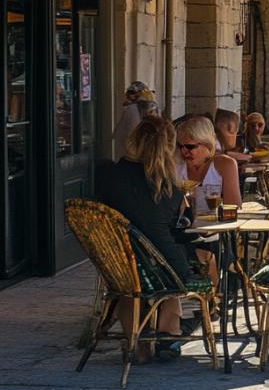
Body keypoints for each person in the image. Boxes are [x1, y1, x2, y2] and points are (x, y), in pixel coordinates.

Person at [98, 116, 192, 359]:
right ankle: (167, 334)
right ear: (169, 146)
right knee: (171, 266)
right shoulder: (171, 187)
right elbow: (173, 226)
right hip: (164, 268)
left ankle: (135, 340)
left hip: (118, 265)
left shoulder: (109, 174)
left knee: (131, 281)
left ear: (134, 140)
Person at [176, 116, 241, 290]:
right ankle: (207, 299)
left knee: (205, 249)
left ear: (207, 145)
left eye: (190, 147)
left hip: (216, 234)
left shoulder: (224, 165)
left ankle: (211, 297)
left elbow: (234, 209)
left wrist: (211, 215)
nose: (184, 152)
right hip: (185, 232)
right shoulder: (177, 167)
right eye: (180, 146)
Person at [111, 81, 154, 157]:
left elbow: (117, 134)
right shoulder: (155, 109)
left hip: (132, 155)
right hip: (151, 153)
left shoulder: (131, 109)